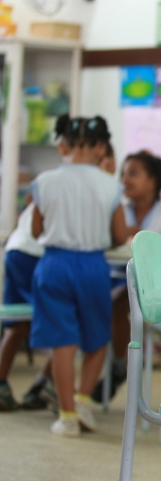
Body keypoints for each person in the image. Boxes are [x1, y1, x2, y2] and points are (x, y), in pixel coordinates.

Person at [30, 116, 127, 437]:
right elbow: (118, 234)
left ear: (63, 145)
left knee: (62, 342)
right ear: (101, 147)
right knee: (97, 337)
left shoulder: (45, 181)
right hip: (92, 266)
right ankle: (84, 400)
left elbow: (35, 230)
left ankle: (66, 415)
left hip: (54, 265)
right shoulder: (110, 184)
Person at [91, 150, 161, 402]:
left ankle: (119, 363)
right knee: (106, 298)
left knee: (122, 300)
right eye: (123, 174)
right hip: (115, 276)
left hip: (150, 286)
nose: (125, 180)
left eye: (133, 173)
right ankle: (116, 363)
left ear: (153, 182)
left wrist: (154, 238)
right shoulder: (119, 210)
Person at [0, 114, 73, 412]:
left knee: (16, 324)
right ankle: (45, 385)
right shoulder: (75, 181)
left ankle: (3, 383)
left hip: (17, 250)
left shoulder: (52, 178)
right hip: (34, 255)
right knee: (66, 322)